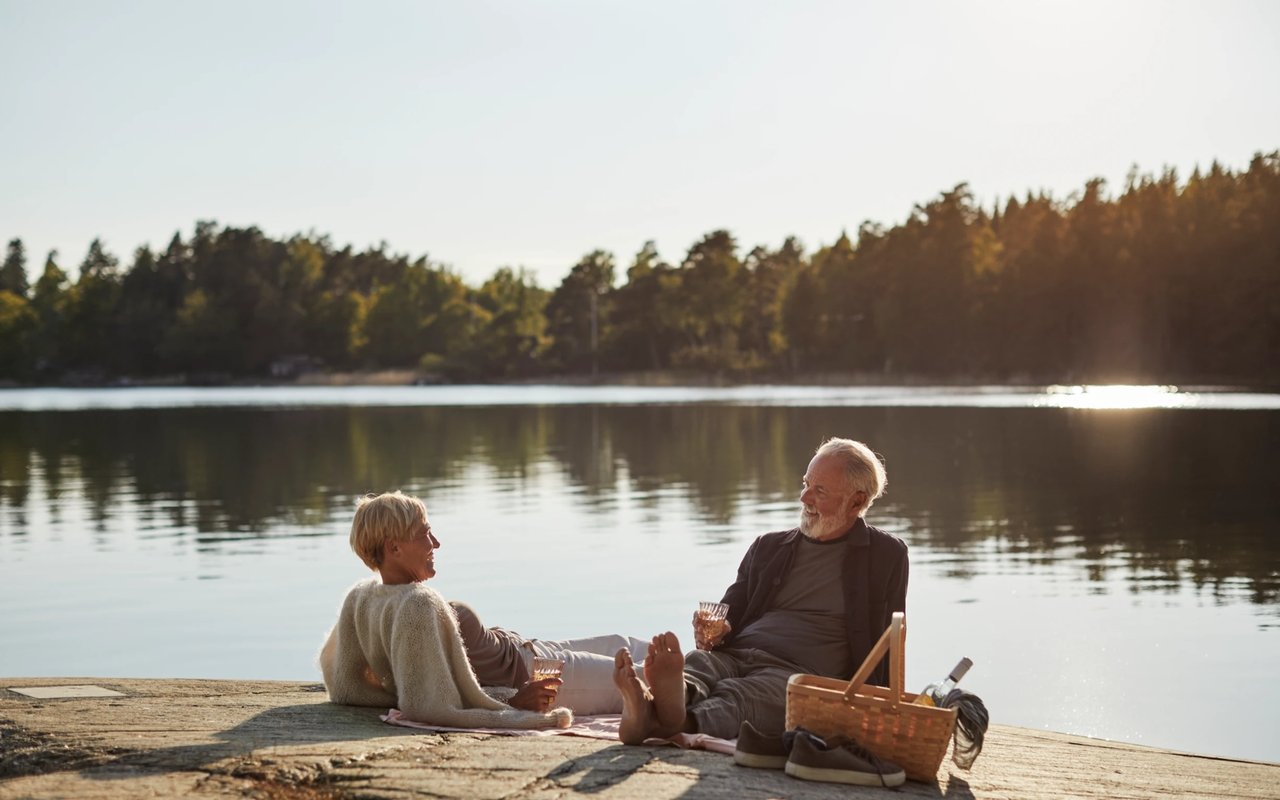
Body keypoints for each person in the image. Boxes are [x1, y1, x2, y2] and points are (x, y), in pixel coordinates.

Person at [611, 437, 909, 744]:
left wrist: (883, 707)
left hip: (800, 672)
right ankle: (672, 697)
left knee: (745, 696)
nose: (805, 497)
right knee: (702, 665)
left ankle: (663, 718)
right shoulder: (769, 546)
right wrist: (715, 629)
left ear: (857, 502)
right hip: (739, 652)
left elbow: (890, 638)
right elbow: (731, 609)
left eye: (820, 491)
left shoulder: (885, 555)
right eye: (806, 484)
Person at [319, 491, 643, 727]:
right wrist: (512, 701)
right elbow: (428, 702)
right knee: (648, 679)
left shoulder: (363, 596)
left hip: (529, 649)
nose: (436, 543)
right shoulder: (414, 607)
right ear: (394, 548)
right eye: (424, 534)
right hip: (535, 677)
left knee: (628, 643)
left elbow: (344, 677)